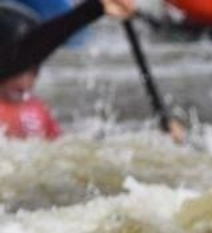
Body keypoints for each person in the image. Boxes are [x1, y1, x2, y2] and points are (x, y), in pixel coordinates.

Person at [0, 0, 135, 140]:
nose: (24, 81)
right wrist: (94, 8)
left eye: (33, 71)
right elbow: (25, 52)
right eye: (19, 70)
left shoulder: (36, 108)